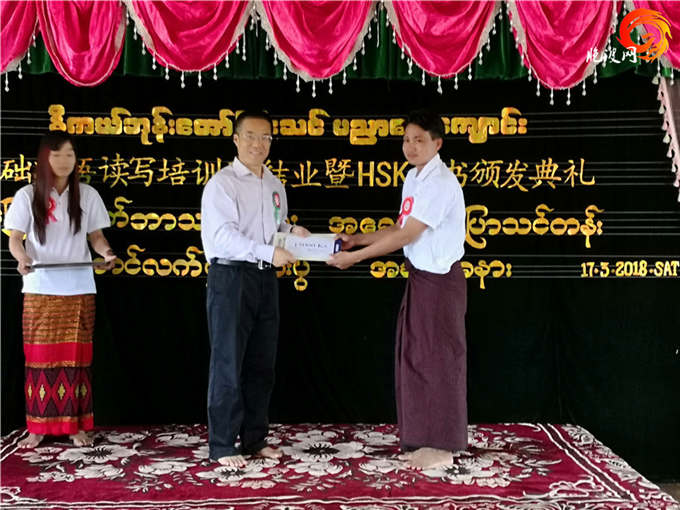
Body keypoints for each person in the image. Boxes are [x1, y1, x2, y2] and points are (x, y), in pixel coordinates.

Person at [328, 109, 467, 470]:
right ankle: (421, 438)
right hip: (420, 278)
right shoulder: (414, 178)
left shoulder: (440, 183)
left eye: (419, 140)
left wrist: (355, 259)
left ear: (437, 143)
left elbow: (407, 236)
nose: (410, 146)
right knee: (416, 357)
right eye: (406, 139)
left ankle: (442, 445)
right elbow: (398, 227)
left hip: (440, 283)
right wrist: (356, 240)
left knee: (438, 360)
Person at [201, 111, 309, 468]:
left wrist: (293, 233)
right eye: (250, 136)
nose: (258, 144)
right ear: (236, 139)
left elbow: (276, 228)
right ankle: (222, 444)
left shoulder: (274, 184)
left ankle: (254, 438)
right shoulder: (223, 184)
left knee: (262, 363)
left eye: (265, 138)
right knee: (229, 362)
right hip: (231, 278)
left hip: (265, 279)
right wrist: (268, 252)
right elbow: (223, 237)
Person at [5, 133, 116, 449]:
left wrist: (106, 253)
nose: (64, 161)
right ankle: (37, 427)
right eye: (56, 155)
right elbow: (14, 238)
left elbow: (96, 237)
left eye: (69, 154)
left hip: (79, 288)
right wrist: (22, 258)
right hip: (40, 288)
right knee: (39, 359)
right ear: (44, 158)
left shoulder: (88, 195)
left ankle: (75, 426)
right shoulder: (27, 195)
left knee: (76, 361)